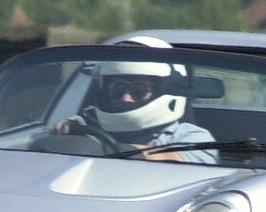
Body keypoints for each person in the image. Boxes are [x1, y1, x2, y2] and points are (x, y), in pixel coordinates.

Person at [56, 36, 217, 163]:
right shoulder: (90, 129)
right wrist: (64, 136)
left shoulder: (193, 137)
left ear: (167, 89)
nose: (126, 98)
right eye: (117, 89)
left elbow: (175, 159)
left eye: (140, 90)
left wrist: (101, 148)